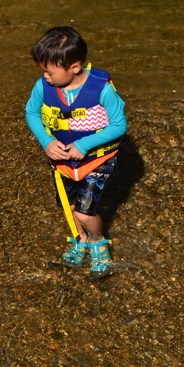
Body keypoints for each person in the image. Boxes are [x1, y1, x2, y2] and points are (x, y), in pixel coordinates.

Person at [24, 26, 127, 278]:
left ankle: (96, 240)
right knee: (70, 204)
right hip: (61, 161)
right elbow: (32, 113)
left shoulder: (101, 89)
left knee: (84, 210)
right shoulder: (43, 87)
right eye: (43, 71)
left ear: (75, 67)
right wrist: (46, 141)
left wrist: (83, 145)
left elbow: (119, 125)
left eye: (50, 72)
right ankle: (80, 237)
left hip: (96, 160)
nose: (45, 77)